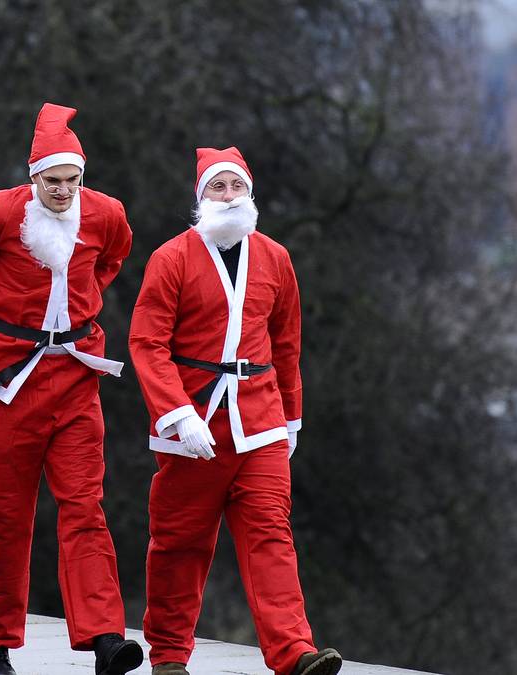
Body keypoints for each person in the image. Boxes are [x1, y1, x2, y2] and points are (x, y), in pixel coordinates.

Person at [0, 103, 141, 675]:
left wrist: (80, 309)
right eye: (53, 181)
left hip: (75, 376)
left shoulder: (106, 214)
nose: (65, 191)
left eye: (73, 180)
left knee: (84, 505)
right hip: (7, 381)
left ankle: (104, 638)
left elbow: (114, 258)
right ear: (33, 176)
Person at [128, 147, 343, 675]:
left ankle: (294, 652)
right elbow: (147, 342)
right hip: (194, 421)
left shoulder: (275, 258)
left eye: (236, 187)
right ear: (201, 197)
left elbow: (287, 344)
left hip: (262, 419)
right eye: (217, 189)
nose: (228, 197)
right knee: (180, 542)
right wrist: (175, 413)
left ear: (250, 194)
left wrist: (291, 420)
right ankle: (171, 657)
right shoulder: (171, 257)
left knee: (271, 533)